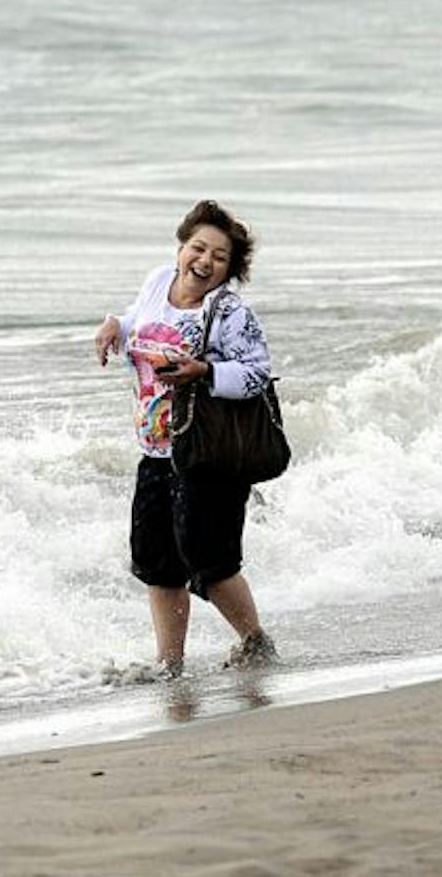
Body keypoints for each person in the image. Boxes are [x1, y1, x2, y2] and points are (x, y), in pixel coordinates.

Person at [94, 199, 277, 676]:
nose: (205, 261)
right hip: (156, 449)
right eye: (198, 248)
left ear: (231, 269)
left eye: (219, 257)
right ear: (181, 248)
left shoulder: (230, 312)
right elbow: (141, 319)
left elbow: (258, 372)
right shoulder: (159, 281)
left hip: (208, 453)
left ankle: (256, 643)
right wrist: (117, 325)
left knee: (209, 560)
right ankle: (169, 663)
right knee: (158, 563)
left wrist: (205, 371)